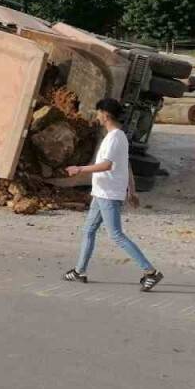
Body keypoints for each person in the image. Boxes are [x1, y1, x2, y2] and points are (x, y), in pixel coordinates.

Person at [63, 98, 164, 292]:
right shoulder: (119, 137)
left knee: (116, 235)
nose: (97, 116)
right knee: (88, 231)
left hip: (108, 195)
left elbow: (107, 165)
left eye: (98, 112)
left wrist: (79, 169)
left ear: (106, 115)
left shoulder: (115, 137)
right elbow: (126, 166)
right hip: (101, 193)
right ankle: (79, 271)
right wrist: (131, 191)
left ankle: (150, 272)